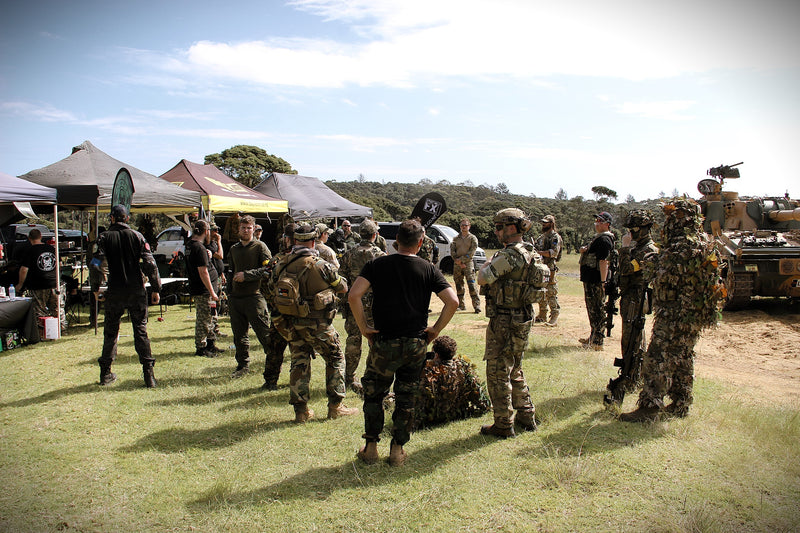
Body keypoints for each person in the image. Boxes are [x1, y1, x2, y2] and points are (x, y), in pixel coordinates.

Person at [349, 218, 458, 466]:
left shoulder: (376, 264)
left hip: (384, 341)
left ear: (396, 241)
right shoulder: (429, 268)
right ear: (420, 243)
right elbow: (453, 302)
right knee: (406, 398)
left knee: (374, 395)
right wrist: (435, 330)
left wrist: (364, 328)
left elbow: (354, 295)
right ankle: (397, 451)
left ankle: (371, 449)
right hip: (415, 343)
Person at [620, 200, 722, 422]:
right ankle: (680, 403)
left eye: (672, 217)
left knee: (657, 357)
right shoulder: (703, 242)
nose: (669, 221)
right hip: (694, 314)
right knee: (684, 356)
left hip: (675, 313)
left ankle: (649, 407)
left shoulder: (680, 245)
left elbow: (662, 276)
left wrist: (651, 263)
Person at [268, 223, 358, 423]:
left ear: (294, 241)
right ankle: (336, 407)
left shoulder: (281, 264)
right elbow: (343, 287)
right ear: (313, 241)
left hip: (291, 324)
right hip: (318, 324)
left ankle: (301, 412)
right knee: (335, 358)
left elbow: (270, 288)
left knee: (299, 362)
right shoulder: (321, 266)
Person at [477, 208, 539, 438]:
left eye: (499, 227)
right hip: (522, 316)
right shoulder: (530, 251)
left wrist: (487, 263)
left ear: (512, 228)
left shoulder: (510, 255)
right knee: (515, 367)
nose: (496, 231)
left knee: (497, 371)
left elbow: (483, 278)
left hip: (505, 318)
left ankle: (503, 423)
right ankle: (526, 415)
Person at [90, 205, 161, 388]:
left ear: (112, 218)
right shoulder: (138, 236)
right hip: (136, 290)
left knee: (111, 332)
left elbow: (95, 264)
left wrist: (96, 288)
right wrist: (156, 288)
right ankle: (149, 375)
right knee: (141, 331)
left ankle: (105, 373)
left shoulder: (103, 237)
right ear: (127, 218)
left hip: (115, 290)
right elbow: (150, 263)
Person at [604, 210, 659, 406]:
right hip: (629, 296)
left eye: (634, 229)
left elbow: (628, 268)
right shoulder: (638, 246)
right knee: (629, 338)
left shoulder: (648, 249)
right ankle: (633, 375)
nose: (630, 233)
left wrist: (625, 249)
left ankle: (632, 377)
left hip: (637, 298)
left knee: (632, 339)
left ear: (644, 229)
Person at [340, 219, 385, 392]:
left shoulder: (349, 254)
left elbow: (342, 280)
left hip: (354, 303)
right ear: (375, 235)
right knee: (375, 340)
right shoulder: (380, 255)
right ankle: (372, 376)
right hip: (375, 305)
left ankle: (349, 377)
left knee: (353, 340)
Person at [413, 335, 491, 430]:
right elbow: (482, 400)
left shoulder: (430, 373)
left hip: (433, 417)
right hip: (456, 413)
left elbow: (419, 400)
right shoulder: (463, 368)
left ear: (436, 355)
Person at [228, 214, 273, 378]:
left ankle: (273, 365)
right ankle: (242, 366)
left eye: (249, 228)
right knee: (239, 336)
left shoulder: (260, 247)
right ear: (238, 229)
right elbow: (231, 271)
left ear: (254, 229)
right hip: (236, 298)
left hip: (254, 297)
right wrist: (229, 292)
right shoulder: (234, 249)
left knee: (264, 334)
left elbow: (269, 269)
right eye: (243, 228)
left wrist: (246, 275)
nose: (246, 231)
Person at [578, 211, 615, 351]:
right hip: (591, 279)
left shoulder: (605, 239)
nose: (597, 223)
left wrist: (603, 282)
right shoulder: (598, 238)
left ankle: (598, 341)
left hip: (596, 281)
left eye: (600, 221)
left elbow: (603, 261)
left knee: (597, 310)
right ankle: (593, 336)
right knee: (592, 309)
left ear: (607, 224)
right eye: (597, 220)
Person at [185, 220, 222, 358]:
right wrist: (212, 292)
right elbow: (203, 272)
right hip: (203, 289)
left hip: (201, 287)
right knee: (204, 319)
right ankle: (201, 347)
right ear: (206, 231)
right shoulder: (198, 248)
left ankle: (210, 344)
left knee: (211, 316)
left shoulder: (190, 245)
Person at [16, 228, 64, 328]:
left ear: (29, 238)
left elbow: (24, 270)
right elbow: (60, 264)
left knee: (39, 310)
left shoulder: (30, 251)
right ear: (41, 236)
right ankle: (60, 328)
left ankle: (42, 330)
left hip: (38, 284)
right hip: (55, 283)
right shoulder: (52, 248)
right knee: (57, 309)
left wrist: (20, 284)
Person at [534, 215, 563, 326]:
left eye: (546, 223)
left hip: (550, 268)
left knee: (551, 292)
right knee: (541, 291)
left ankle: (554, 315)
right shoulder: (541, 237)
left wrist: (539, 252)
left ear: (551, 224)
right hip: (540, 267)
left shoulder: (555, 237)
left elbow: (553, 253)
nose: (543, 224)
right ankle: (542, 314)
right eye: (543, 222)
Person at [450, 218, 481, 313]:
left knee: (472, 285)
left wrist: (462, 261)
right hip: (457, 264)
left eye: (465, 225)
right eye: (462, 225)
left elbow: (472, 251)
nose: (464, 227)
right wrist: (457, 261)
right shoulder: (455, 238)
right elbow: (452, 250)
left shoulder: (472, 238)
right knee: (459, 285)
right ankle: (461, 305)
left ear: (469, 226)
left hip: (468, 264)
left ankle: (476, 306)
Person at [207, 222, 225, 339]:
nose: (216, 233)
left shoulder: (213, 243)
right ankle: (212, 329)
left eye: (217, 230)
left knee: (217, 304)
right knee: (212, 305)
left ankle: (215, 328)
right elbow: (219, 256)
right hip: (211, 278)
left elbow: (219, 261)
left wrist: (222, 273)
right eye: (214, 230)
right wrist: (219, 241)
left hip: (218, 275)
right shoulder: (207, 245)